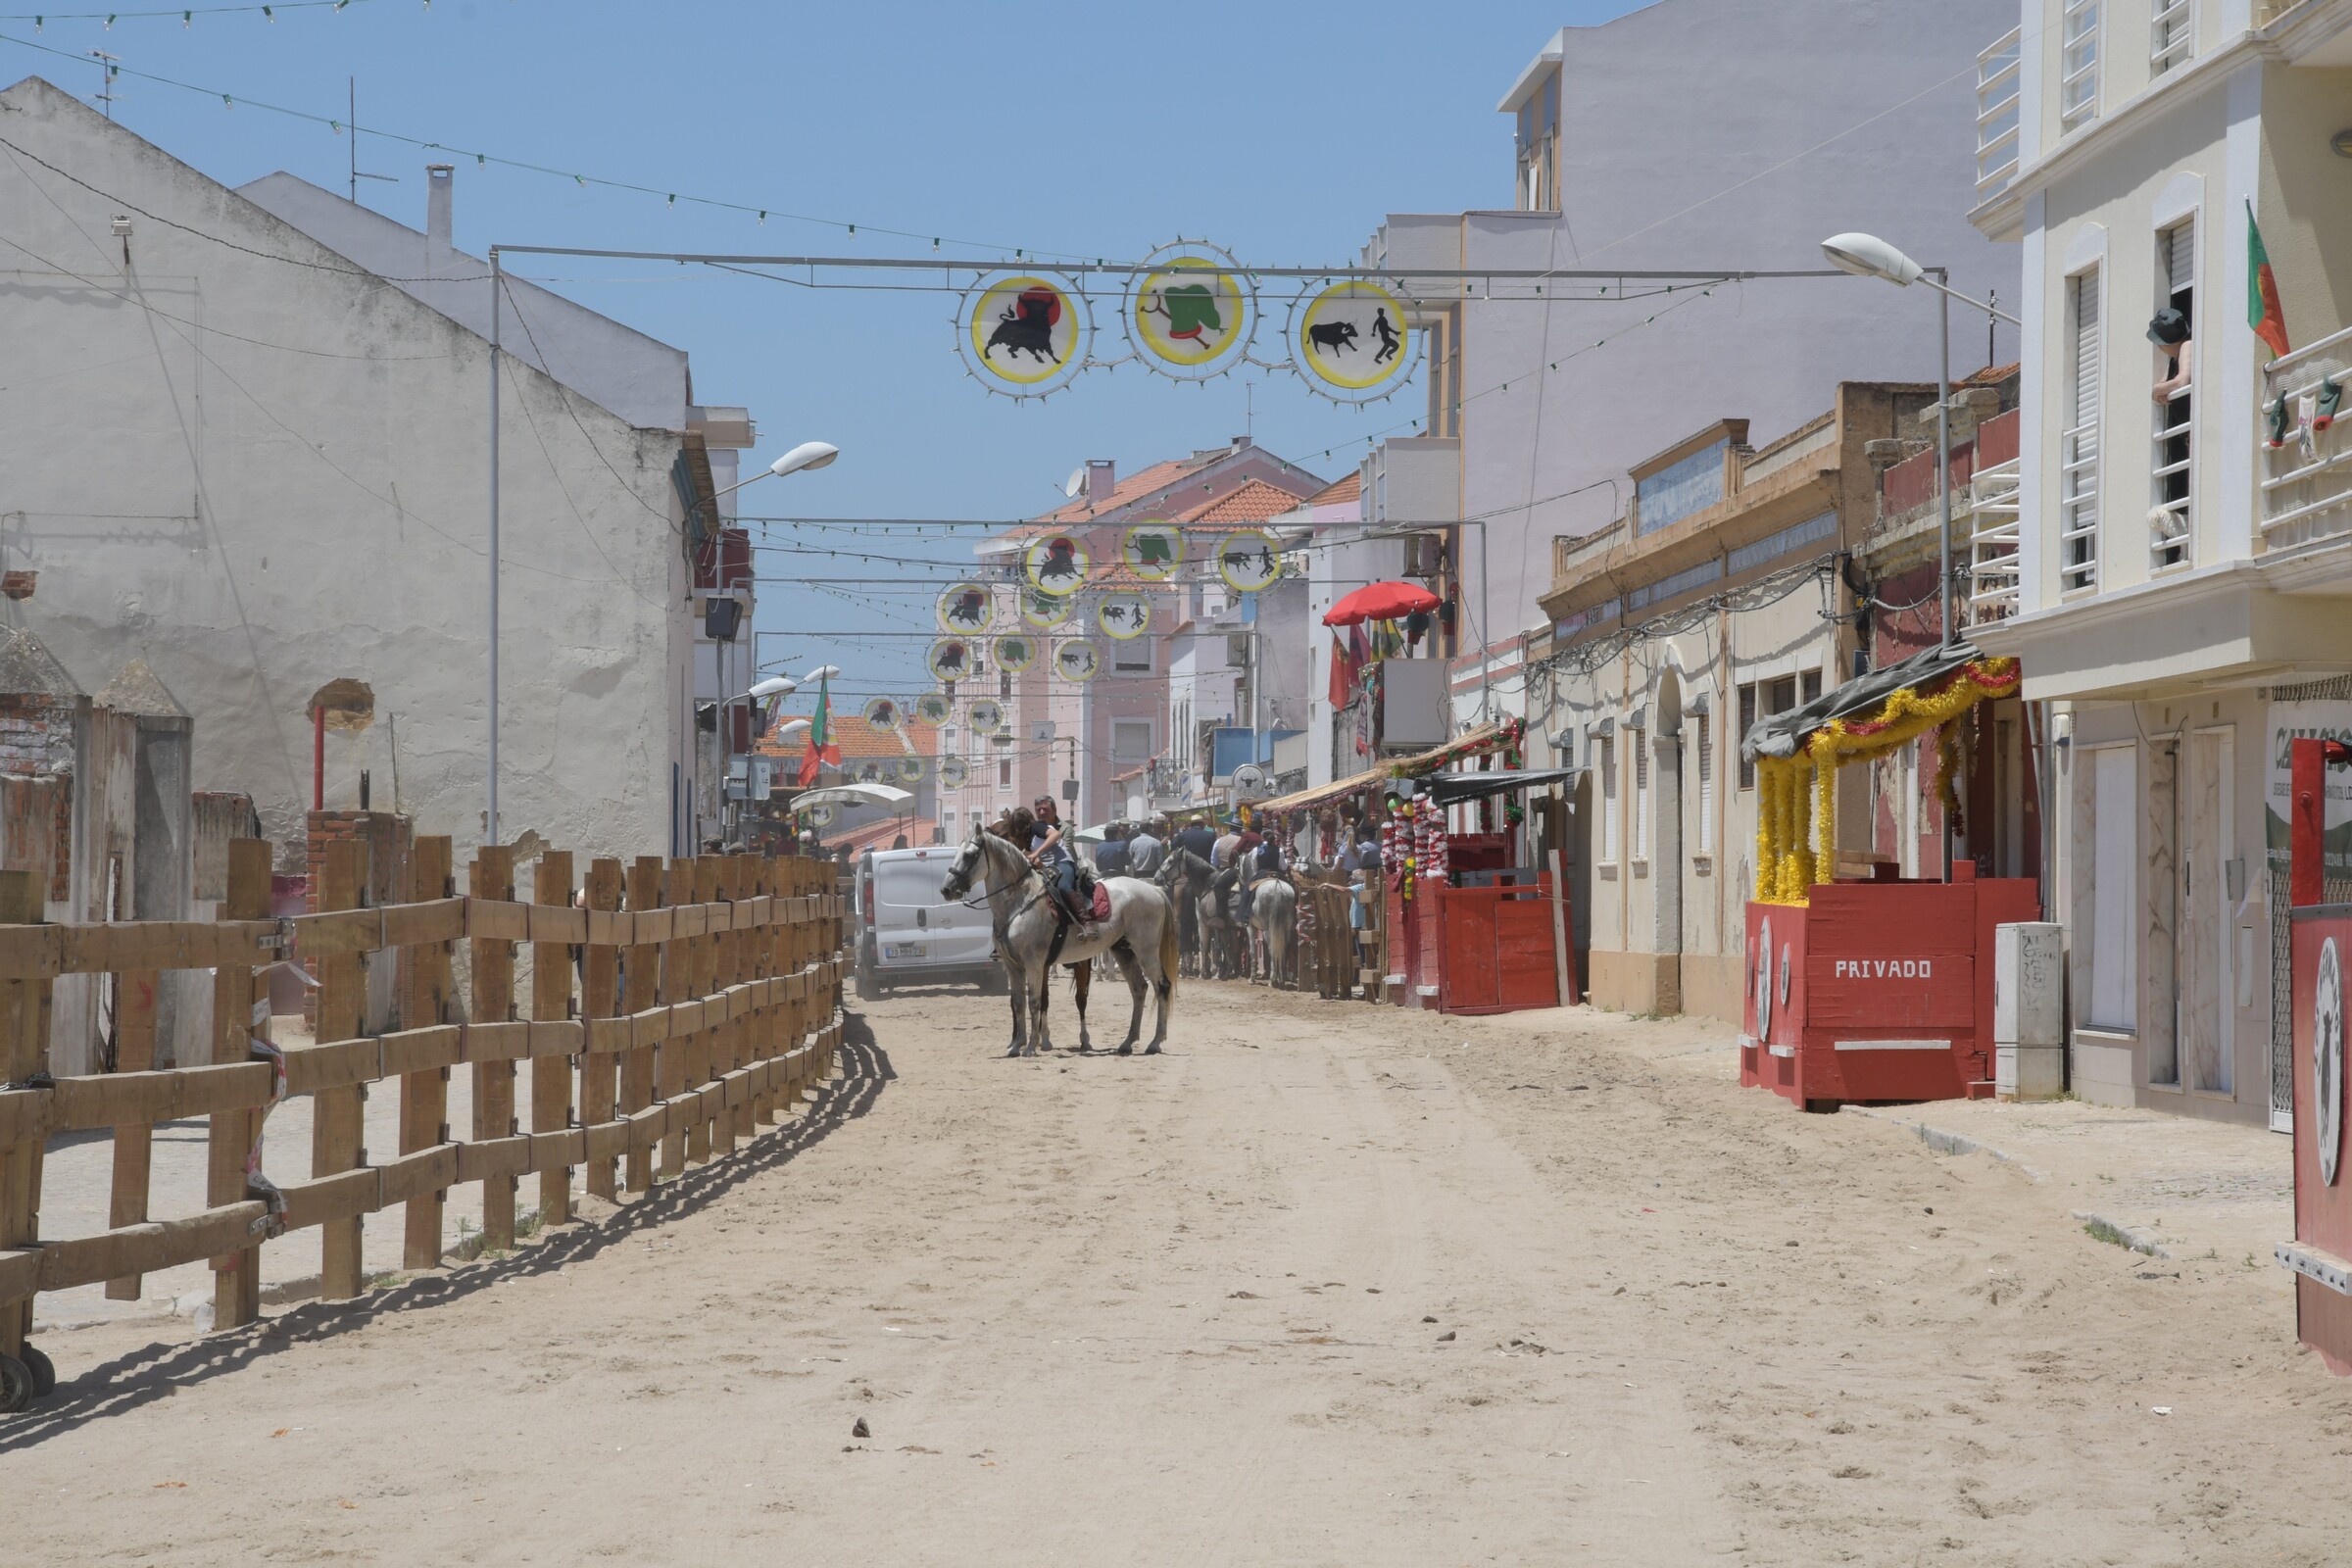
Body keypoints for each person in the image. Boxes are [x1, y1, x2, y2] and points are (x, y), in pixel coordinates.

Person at [1028, 795, 1083, 920]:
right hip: (1043, 868)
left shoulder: (1065, 828)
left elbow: (1066, 847)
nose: (1041, 812)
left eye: (1045, 809)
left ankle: (1084, 920)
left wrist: (1038, 855)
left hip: (1062, 864)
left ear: (1054, 810)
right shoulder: (1035, 829)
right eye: (1038, 810)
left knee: (1063, 887)